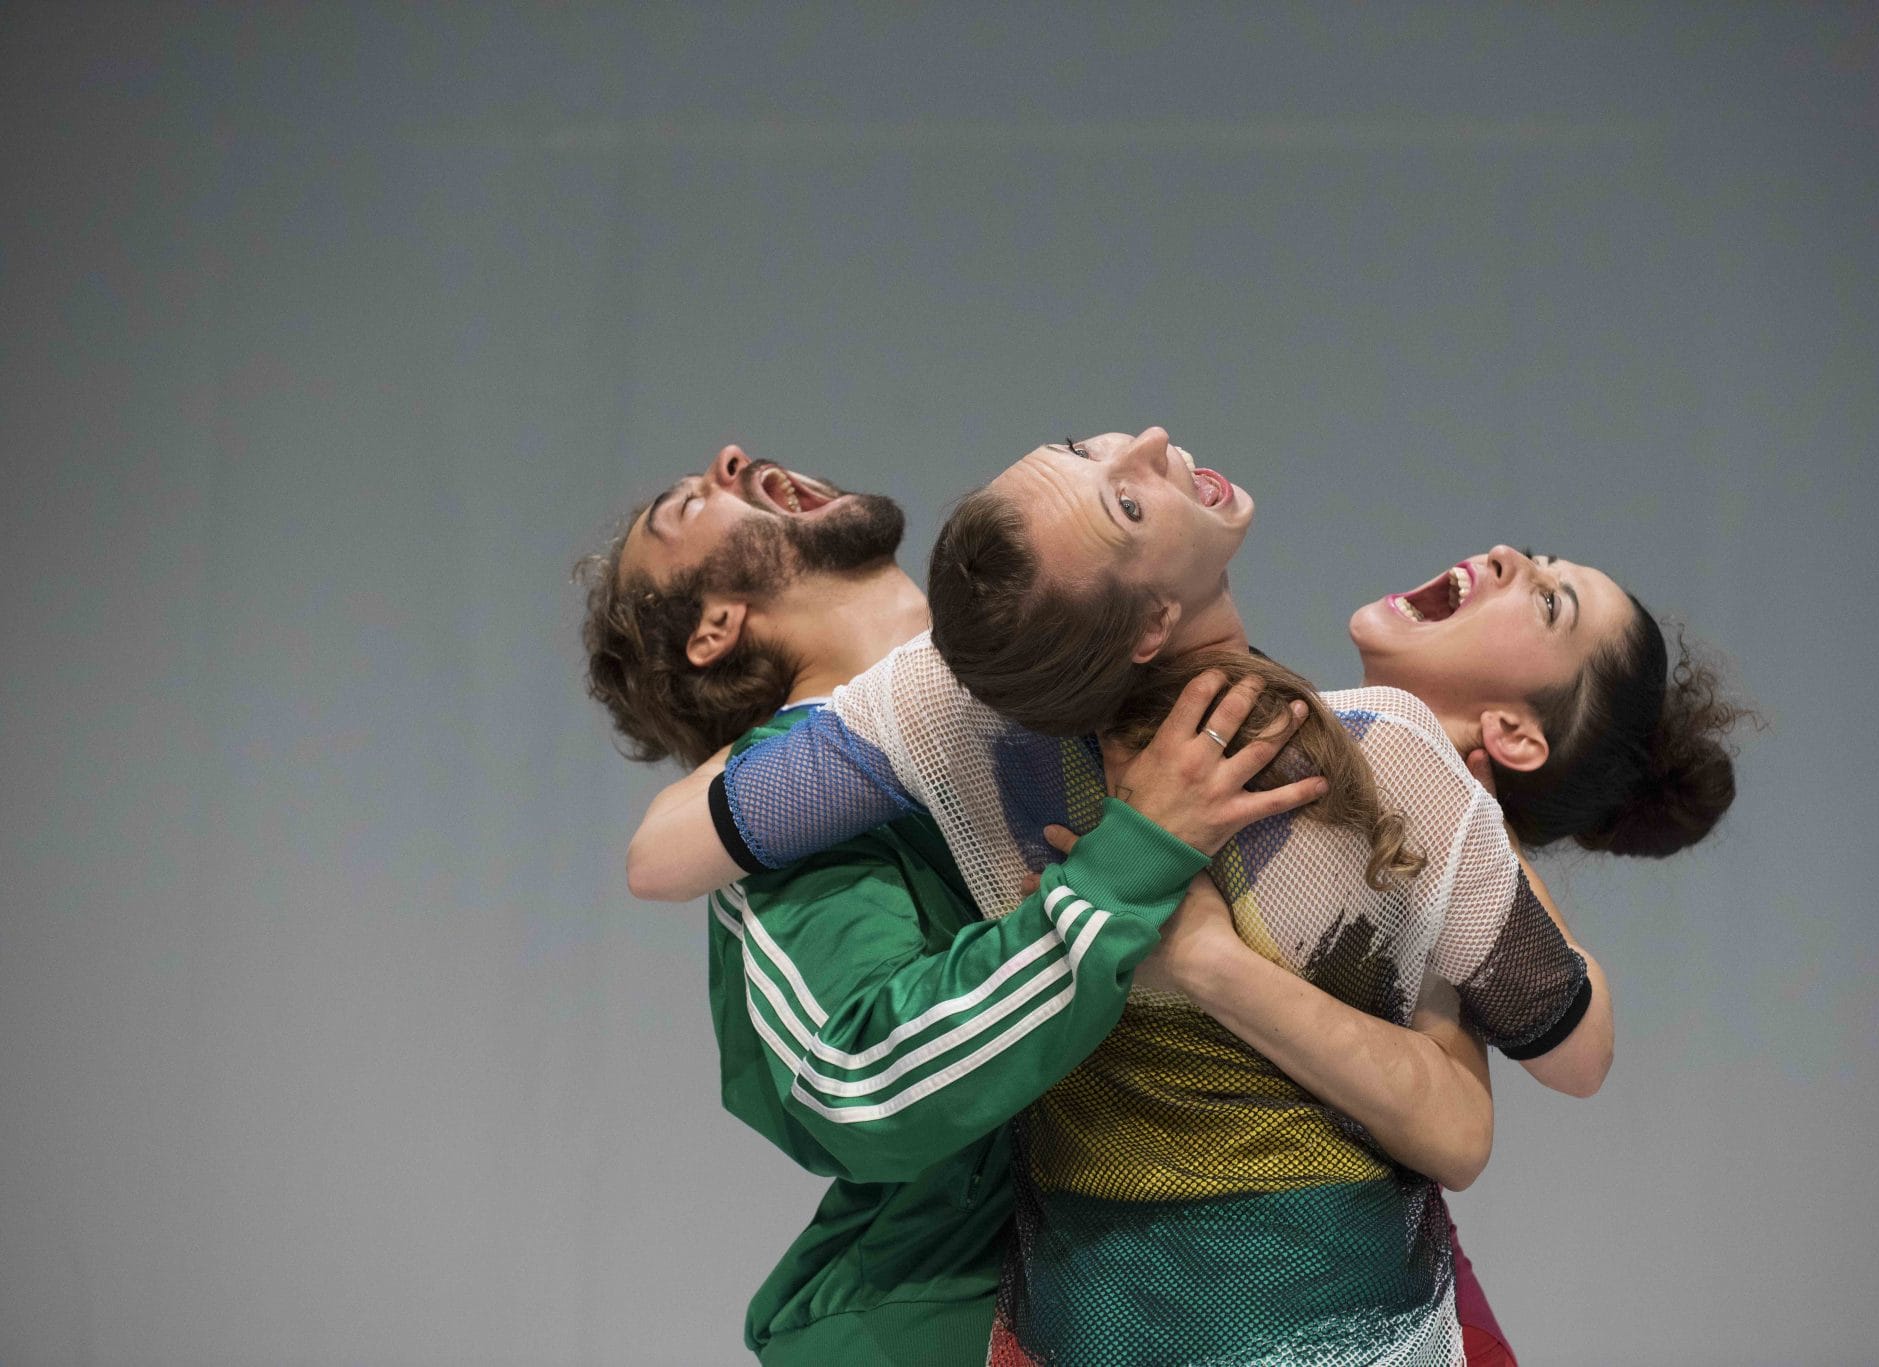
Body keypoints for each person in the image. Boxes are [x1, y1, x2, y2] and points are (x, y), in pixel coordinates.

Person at [627, 430, 1638, 1365]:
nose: (1149, 441)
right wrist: (1126, 877)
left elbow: (1467, 1117)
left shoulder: (948, 719)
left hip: (1142, 1302)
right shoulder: (928, 735)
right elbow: (858, 1080)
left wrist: (1214, 943)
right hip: (964, 1311)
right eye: (1122, 499)